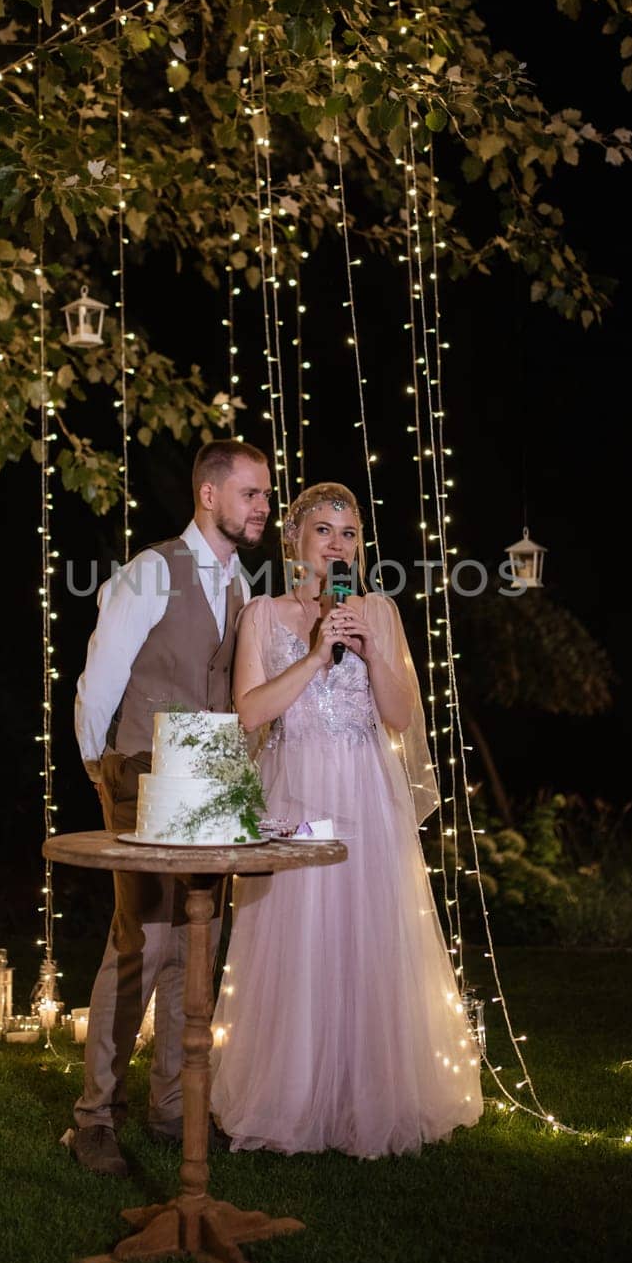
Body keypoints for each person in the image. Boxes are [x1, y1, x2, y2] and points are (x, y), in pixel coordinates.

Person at [210, 482, 482, 1157]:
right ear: (294, 541)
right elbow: (249, 713)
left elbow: (399, 715)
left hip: (366, 792)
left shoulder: (378, 612)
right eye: (324, 531)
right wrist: (312, 656)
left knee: (369, 935)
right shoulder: (262, 616)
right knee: (296, 939)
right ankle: (293, 1096)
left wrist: (370, 651)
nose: (338, 545)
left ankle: (375, 1095)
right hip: (296, 793)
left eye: (349, 533)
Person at [68, 439, 272, 1174]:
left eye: (267, 496)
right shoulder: (153, 571)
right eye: (252, 494)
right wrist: (106, 772)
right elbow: (98, 683)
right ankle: (94, 1116)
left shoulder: (244, 586)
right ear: (210, 495)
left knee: (197, 947)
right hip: (141, 776)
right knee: (142, 946)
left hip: (211, 785)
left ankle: (172, 1110)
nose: (263, 508)